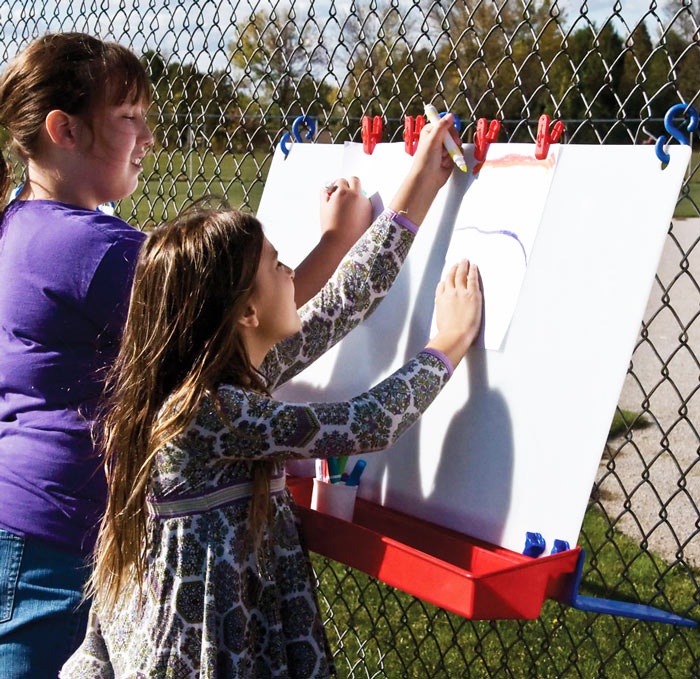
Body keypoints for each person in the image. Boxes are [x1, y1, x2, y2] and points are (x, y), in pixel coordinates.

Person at [0, 32, 372, 678]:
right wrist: (338, 243)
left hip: (29, 526)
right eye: (128, 118)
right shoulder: (95, 250)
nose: (148, 136)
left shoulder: (21, 219)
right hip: (60, 545)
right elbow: (238, 315)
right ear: (64, 130)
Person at [60, 114, 482, 679]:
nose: (292, 275)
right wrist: (448, 343)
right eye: (278, 265)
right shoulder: (212, 412)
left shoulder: (222, 375)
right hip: (194, 658)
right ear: (247, 314)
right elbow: (367, 423)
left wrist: (421, 186)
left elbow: (344, 302)